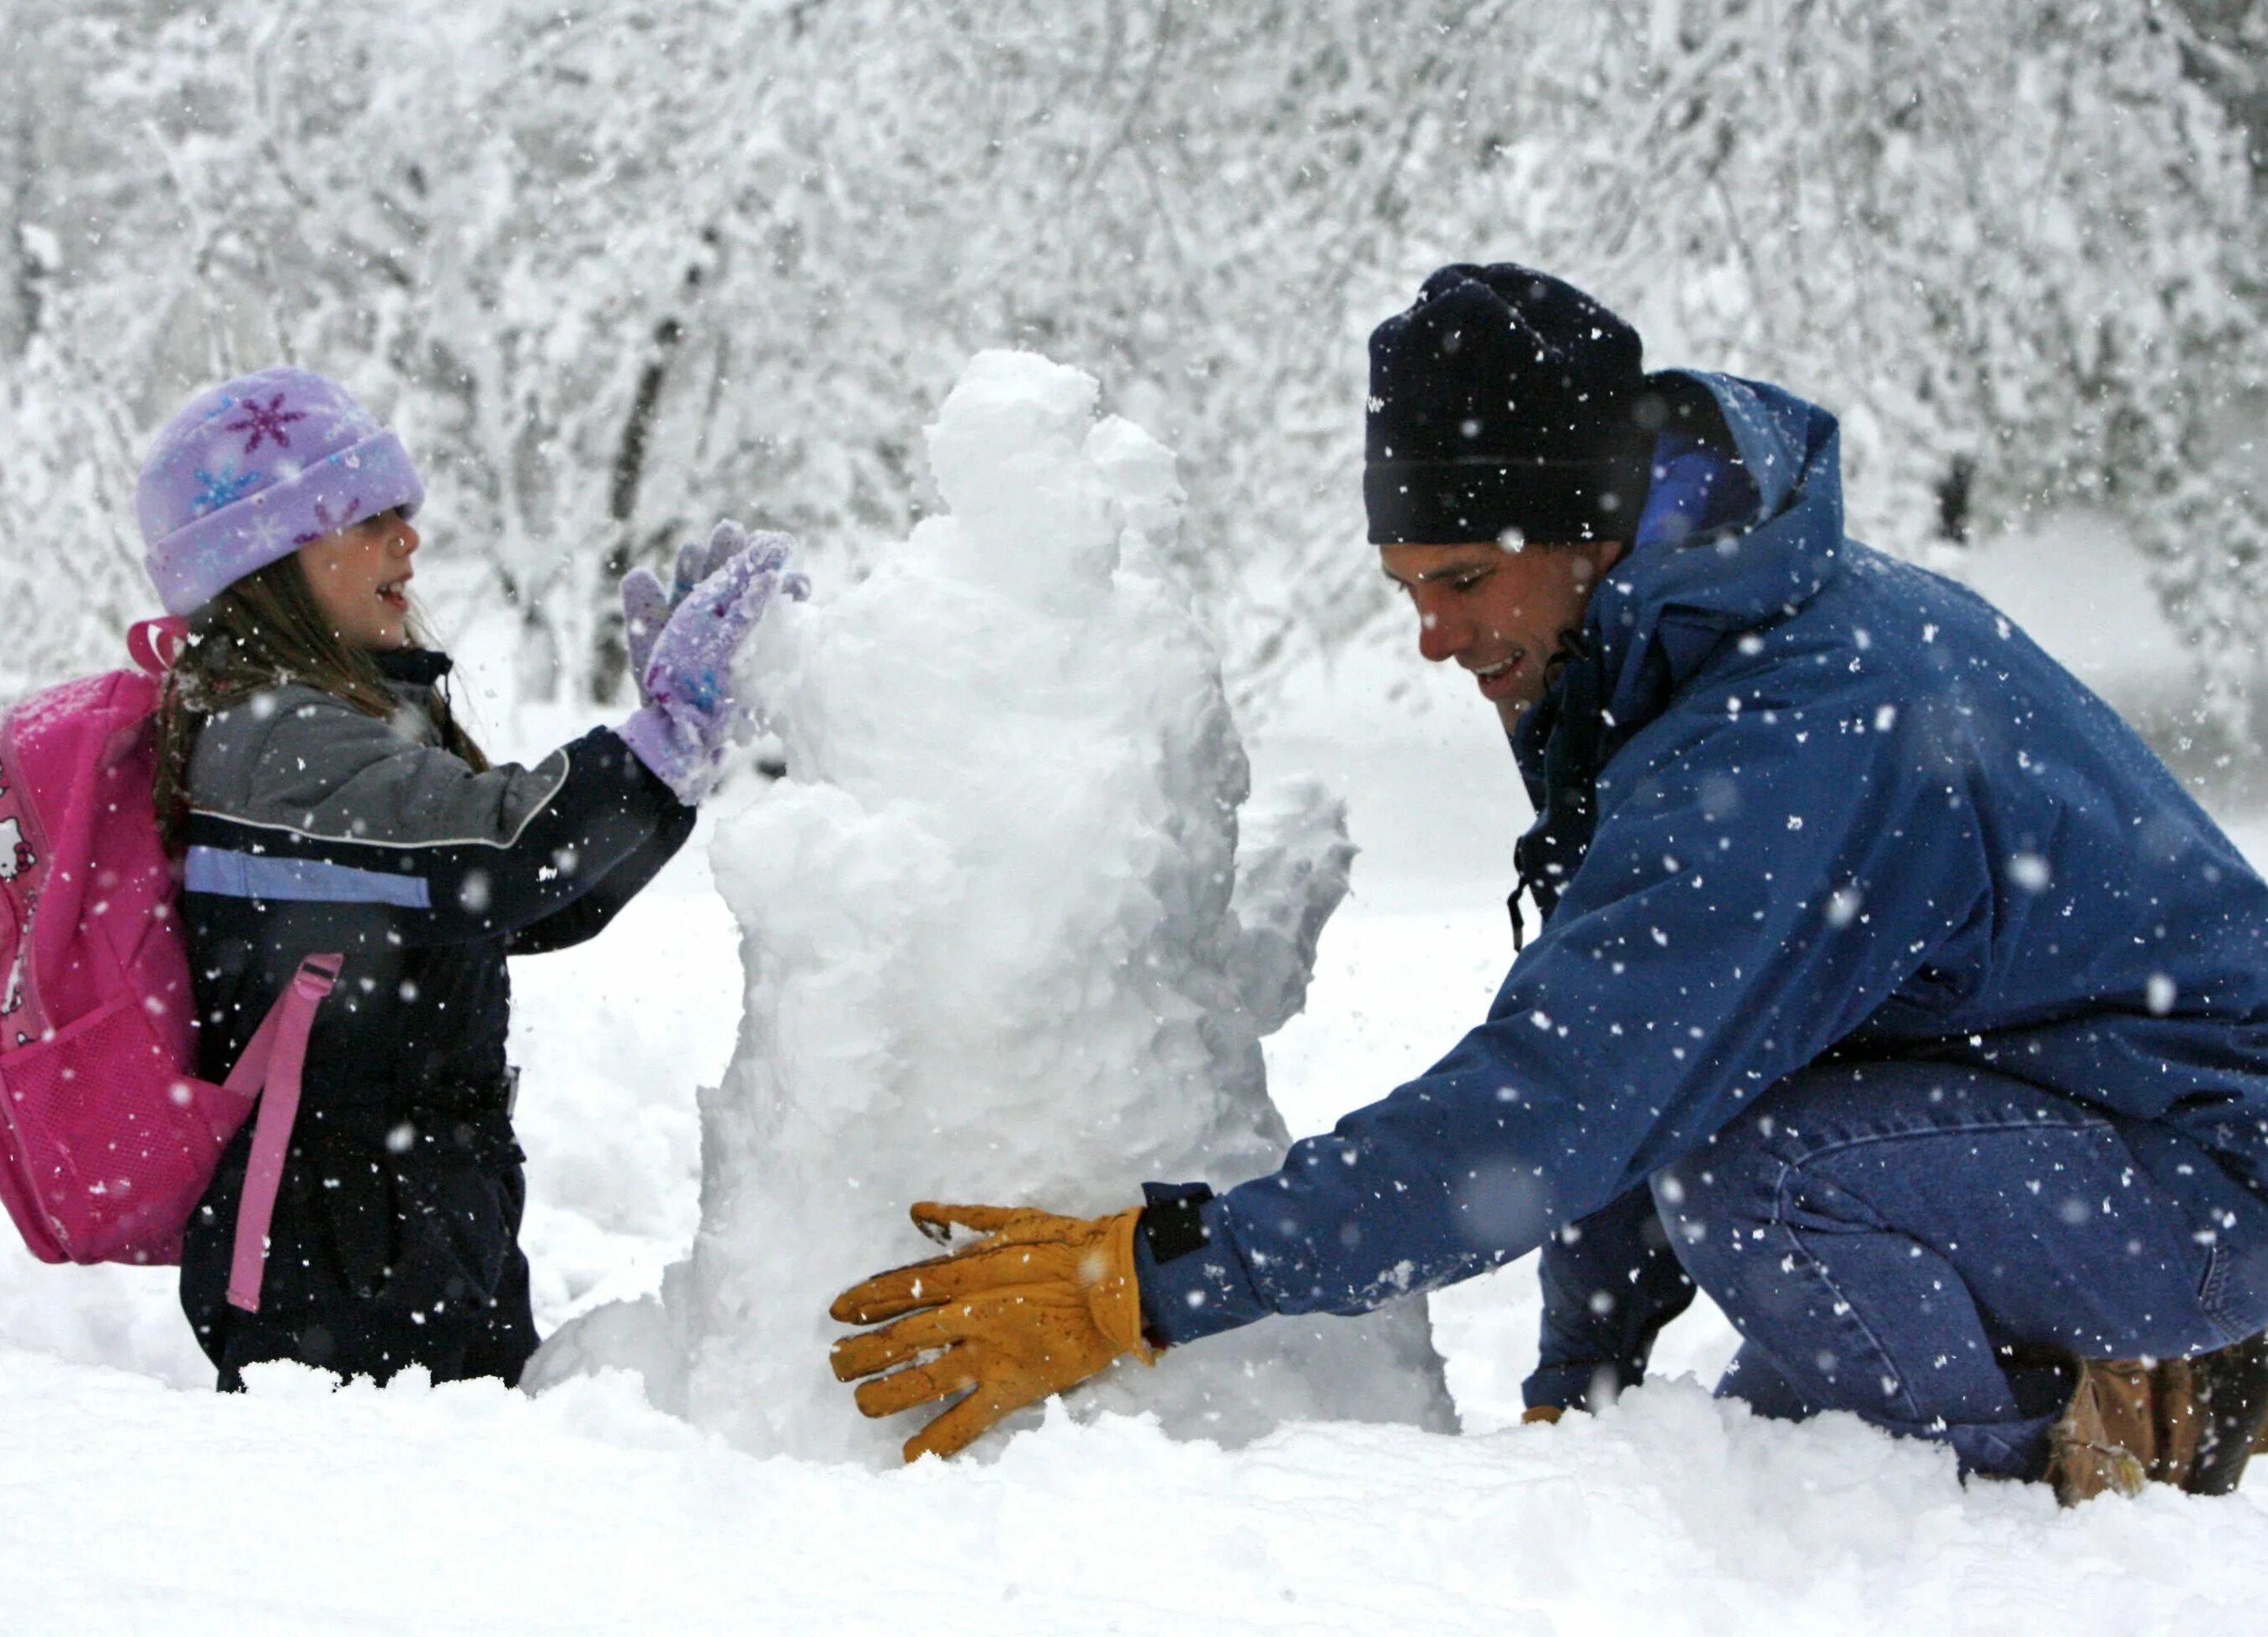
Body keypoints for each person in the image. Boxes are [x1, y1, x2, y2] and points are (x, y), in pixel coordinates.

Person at [827, 264, 2268, 1501]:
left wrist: (1152, 1280)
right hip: (2051, 1134)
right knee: (1742, 1408)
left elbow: (1566, 1101)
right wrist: (1582, 1380)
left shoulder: (1788, 733)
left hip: (2208, 1182)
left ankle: (2004, 1526)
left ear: (1582, 531)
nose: (1433, 638)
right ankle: (1981, 1428)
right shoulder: (1673, 640)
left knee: (1759, 1186)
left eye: (1461, 580)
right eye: (1406, 589)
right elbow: (1641, 1055)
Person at [135, 367, 799, 1390]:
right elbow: (501, 854)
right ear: (271, 561)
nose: (408, 537)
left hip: (413, 1219)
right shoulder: (277, 741)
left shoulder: (329, 723)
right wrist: (651, 744)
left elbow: (523, 907)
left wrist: (676, 764)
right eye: (367, 516)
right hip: (335, 1255)